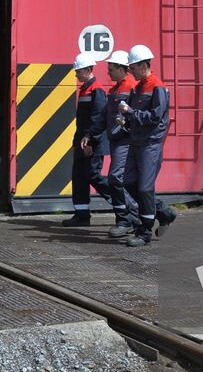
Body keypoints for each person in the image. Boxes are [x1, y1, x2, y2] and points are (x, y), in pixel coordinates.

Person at [116, 44, 178, 247]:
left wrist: (131, 113)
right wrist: (126, 120)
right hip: (136, 141)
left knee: (144, 187)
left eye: (132, 68)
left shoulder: (156, 87)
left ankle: (144, 232)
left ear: (143, 65)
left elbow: (155, 117)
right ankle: (163, 212)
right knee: (129, 182)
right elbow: (136, 114)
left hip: (150, 144)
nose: (130, 72)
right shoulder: (139, 87)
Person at [63, 51, 112, 226]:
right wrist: (76, 143)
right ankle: (82, 215)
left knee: (93, 176)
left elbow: (98, 118)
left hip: (92, 143)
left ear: (88, 69)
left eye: (78, 71)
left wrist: (90, 140)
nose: (76, 74)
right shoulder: (85, 89)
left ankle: (123, 204)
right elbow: (82, 121)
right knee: (79, 177)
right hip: (82, 141)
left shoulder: (96, 89)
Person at [103, 50, 141, 238]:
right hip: (116, 139)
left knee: (116, 178)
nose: (108, 73)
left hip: (125, 140)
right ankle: (124, 219)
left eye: (111, 69)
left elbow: (134, 113)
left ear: (121, 68)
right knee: (118, 180)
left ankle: (133, 216)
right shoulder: (114, 89)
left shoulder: (131, 87)